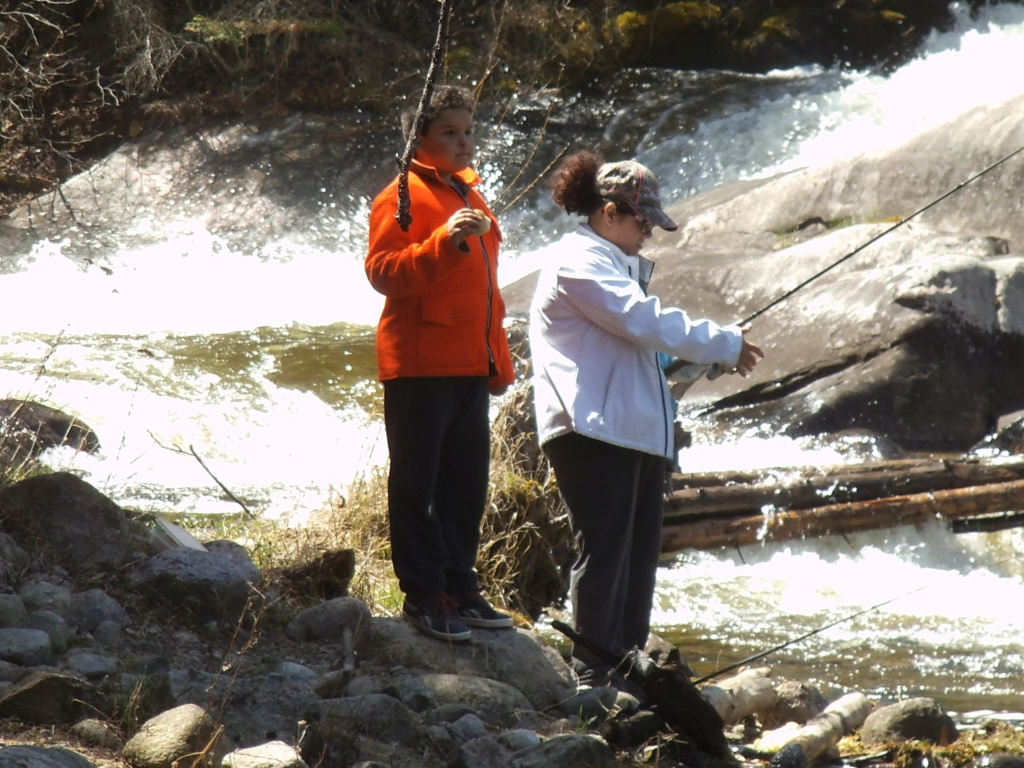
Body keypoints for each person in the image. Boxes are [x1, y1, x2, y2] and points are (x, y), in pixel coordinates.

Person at [528, 150, 763, 683]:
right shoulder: (578, 262)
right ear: (609, 212)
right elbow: (640, 320)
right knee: (605, 553)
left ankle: (626, 669)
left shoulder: (611, 265)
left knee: (634, 562)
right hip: (592, 432)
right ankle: (591, 675)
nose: (649, 234)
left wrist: (697, 359)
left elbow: (639, 351)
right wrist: (721, 341)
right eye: (643, 222)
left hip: (628, 433)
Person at [365, 85, 516, 642]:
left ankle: (459, 585)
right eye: (449, 133)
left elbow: (486, 293)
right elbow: (383, 272)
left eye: (468, 131)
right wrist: (441, 242)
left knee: (465, 484)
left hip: (467, 364)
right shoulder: (400, 195)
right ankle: (425, 594)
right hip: (419, 364)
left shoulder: (469, 193)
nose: (463, 142)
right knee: (417, 485)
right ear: (420, 141)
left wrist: (496, 361)